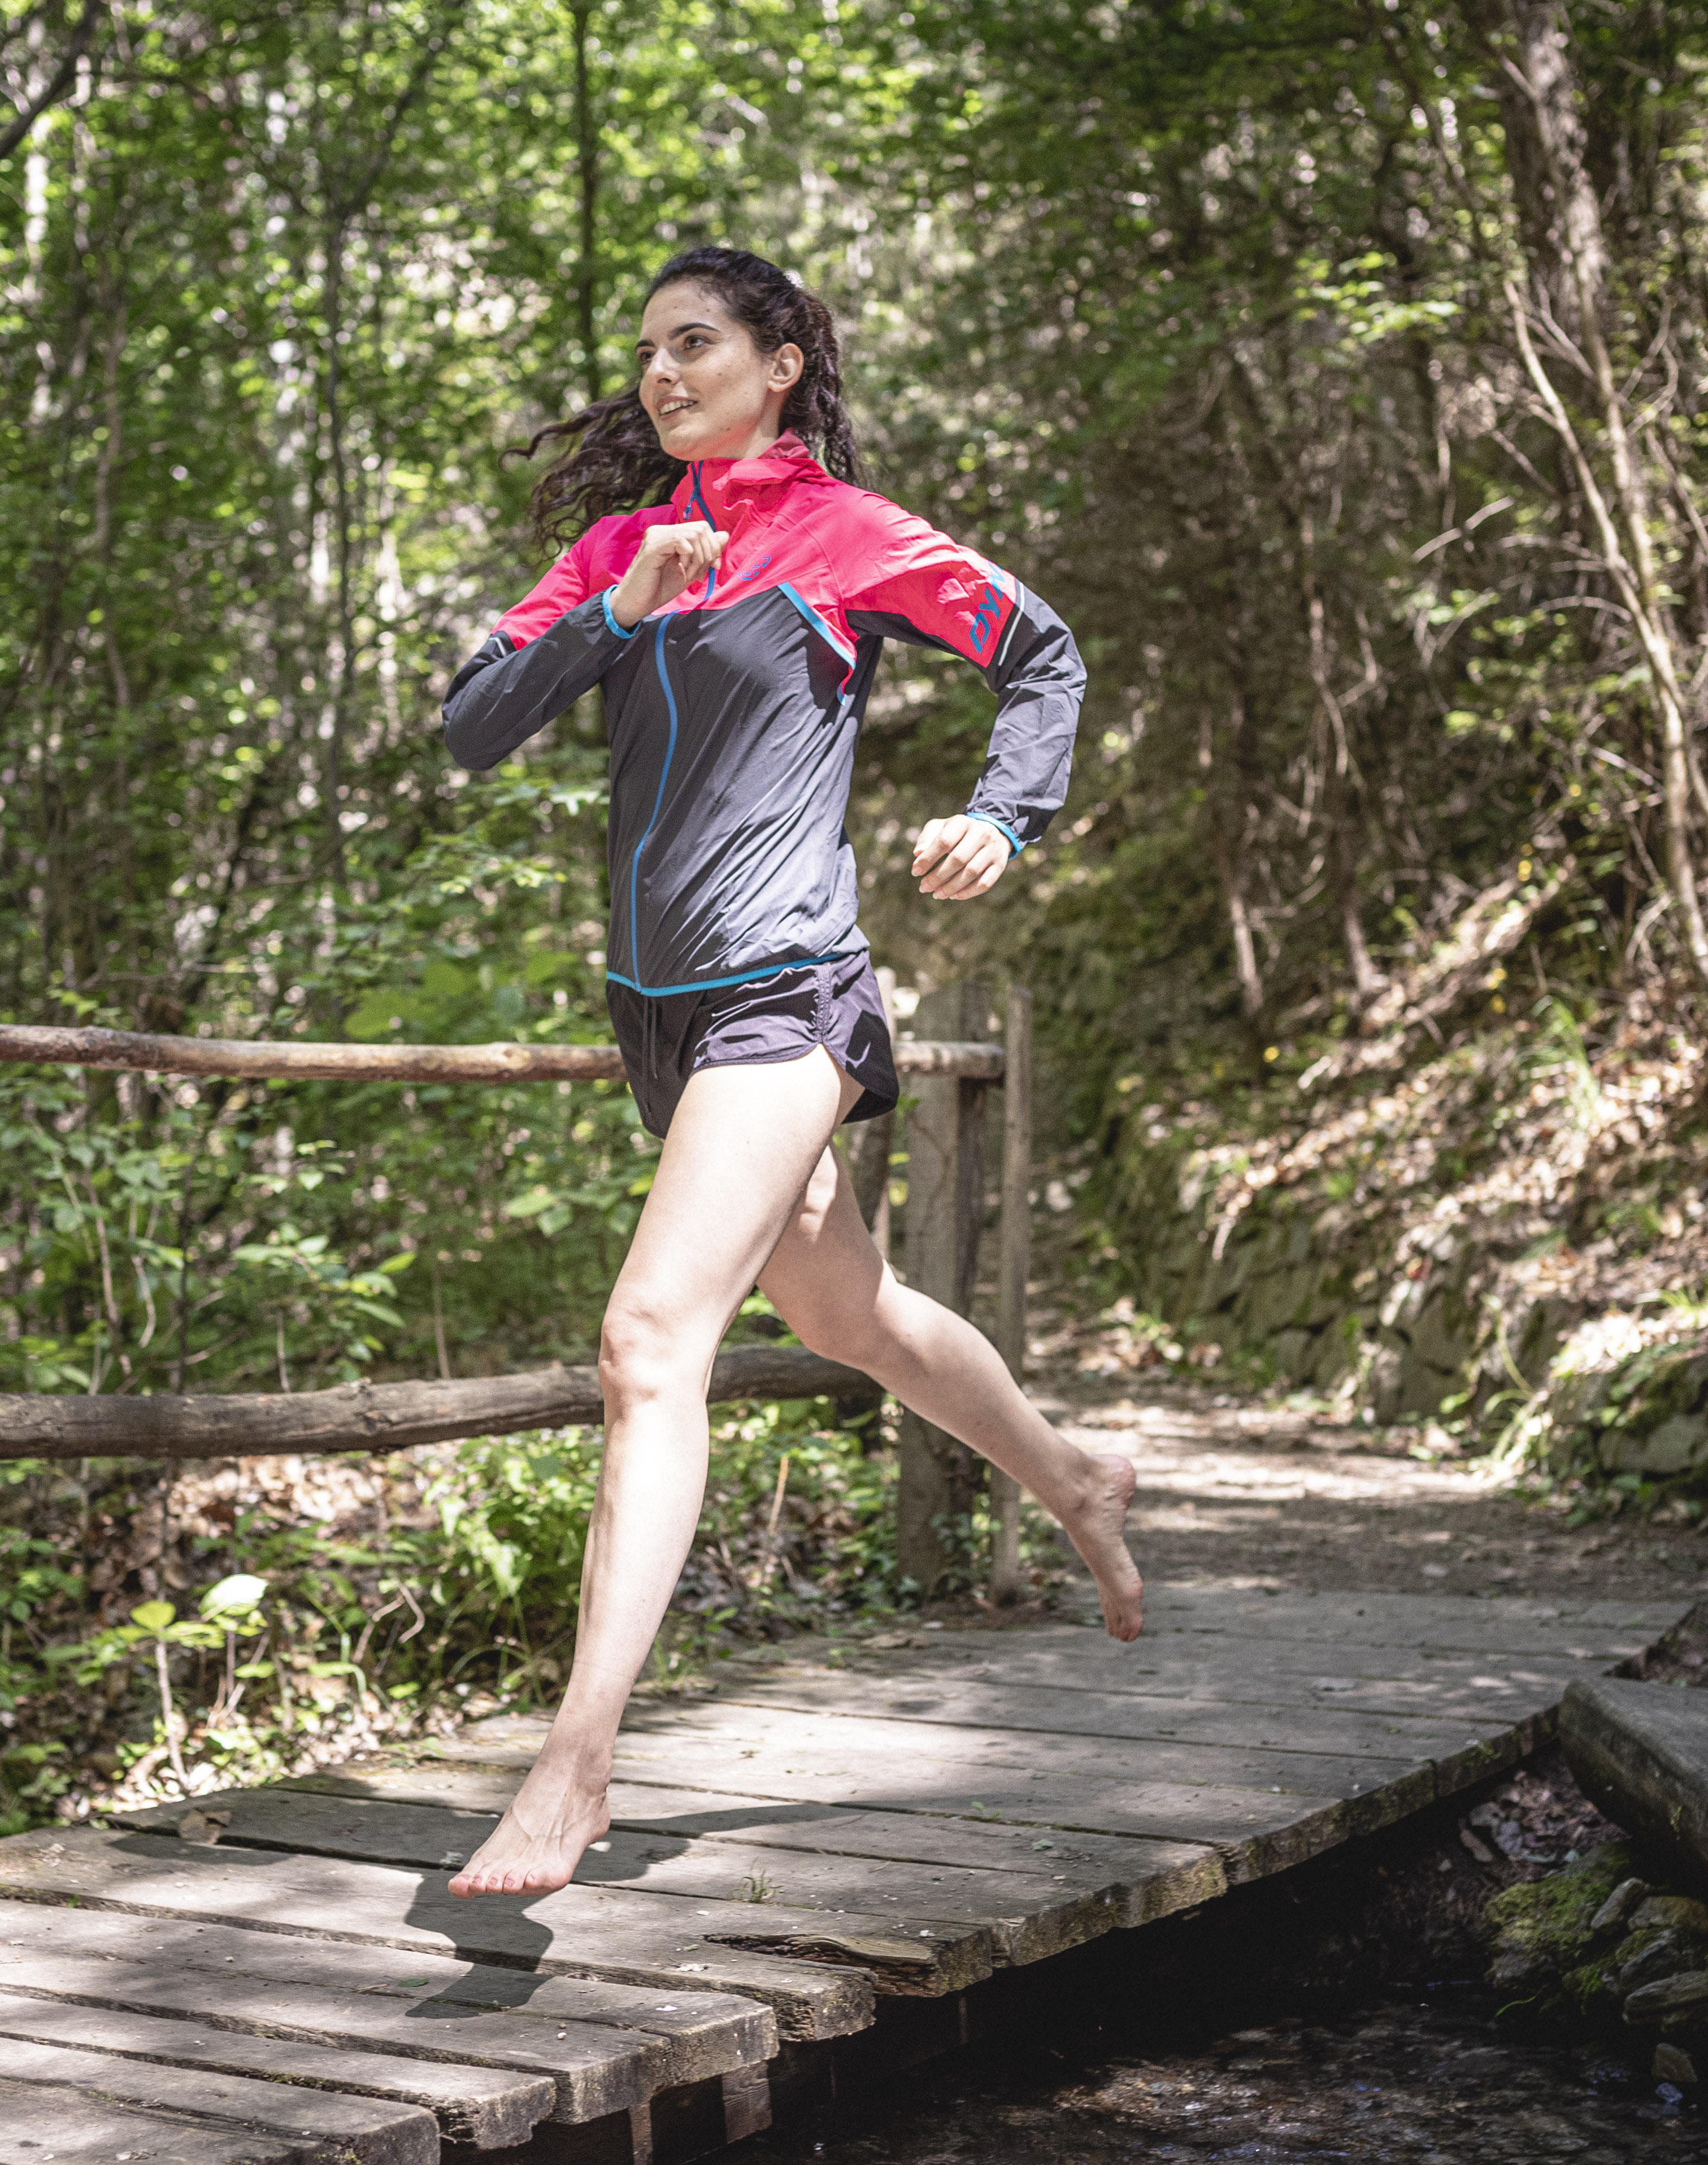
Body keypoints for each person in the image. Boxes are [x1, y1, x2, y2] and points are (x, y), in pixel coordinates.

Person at [436, 245, 1145, 1899]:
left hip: (784, 987)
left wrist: (999, 812)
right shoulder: (615, 550)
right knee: (843, 1314)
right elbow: (473, 725)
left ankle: (574, 1767)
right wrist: (612, 612)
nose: (661, 375)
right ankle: (1074, 1479)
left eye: (694, 345)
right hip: (655, 1009)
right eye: (645, 353)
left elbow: (1039, 656)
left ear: (780, 362)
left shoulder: (845, 534)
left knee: (646, 1342)